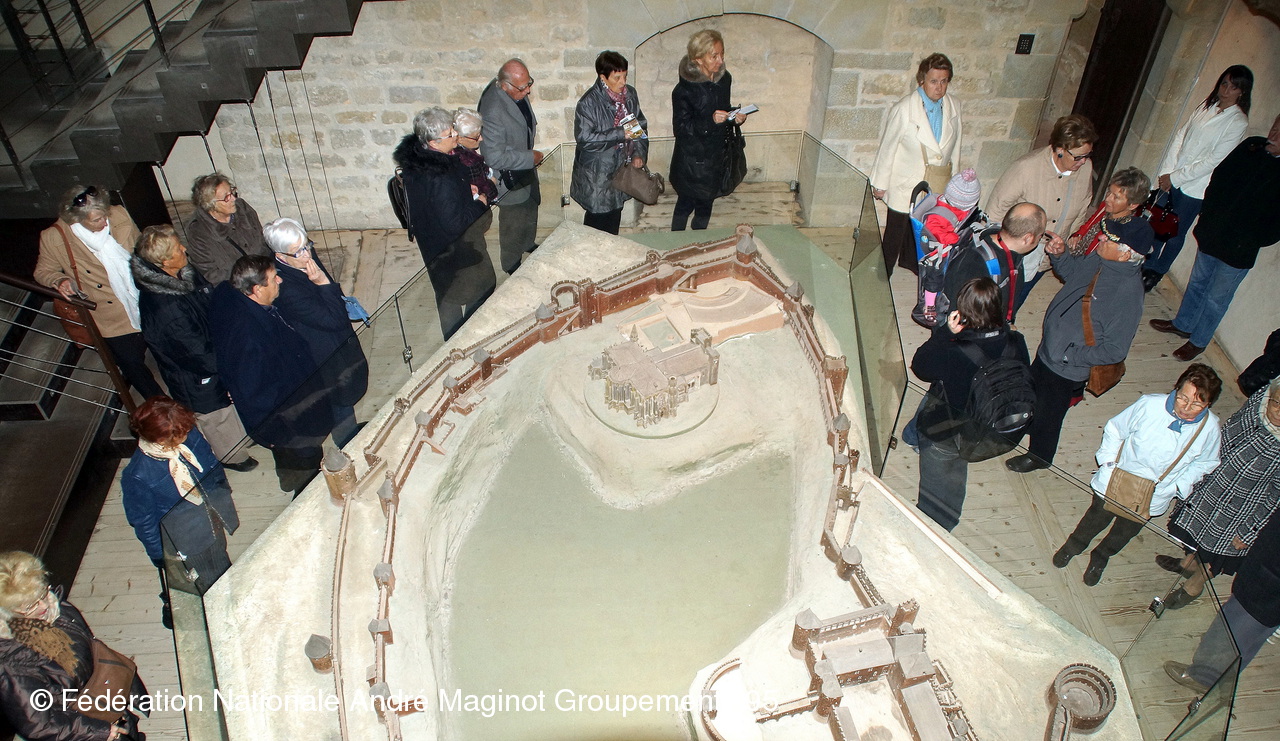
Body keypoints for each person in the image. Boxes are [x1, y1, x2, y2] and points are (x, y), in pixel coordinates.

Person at [1006, 167, 1153, 473]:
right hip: (1052, 346)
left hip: (1068, 362)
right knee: (1032, 392)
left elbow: (1115, 350)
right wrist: (1060, 255)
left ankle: (1040, 456)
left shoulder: (1128, 293)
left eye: (1110, 241)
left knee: (1050, 412)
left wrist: (1070, 355)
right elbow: (1072, 275)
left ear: (1126, 254)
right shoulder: (1102, 257)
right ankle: (1021, 426)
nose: (1102, 241)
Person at [1052, 365, 1223, 586]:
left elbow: (1206, 463)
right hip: (1118, 478)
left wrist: (1177, 486)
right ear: (1176, 388)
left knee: (1124, 532)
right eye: (1183, 398)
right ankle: (1074, 546)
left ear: (1208, 404)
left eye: (1197, 404)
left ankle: (1101, 556)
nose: (1187, 407)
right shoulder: (1149, 405)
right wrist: (1109, 463)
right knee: (1095, 519)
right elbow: (1115, 429)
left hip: (1154, 494)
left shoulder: (1210, 429)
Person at [1149, 113, 1280, 362]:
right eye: (1275, 127)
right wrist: (1208, 216)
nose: (1274, 135)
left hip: (1239, 249)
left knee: (1216, 299)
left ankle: (1198, 341)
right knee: (1197, 282)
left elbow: (1275, 226)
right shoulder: (1251, 146)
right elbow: (1219, 177)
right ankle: (1183, 324)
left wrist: (1251, 238)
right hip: (1214, 233)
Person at [131, 226, 257, 472]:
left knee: (230, 408)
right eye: (178, 249)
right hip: (196, 377)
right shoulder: (165, 309)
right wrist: (231, 361)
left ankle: (242, 437)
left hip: (216, 352)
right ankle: (232, 456)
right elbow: (198, 355)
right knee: (216, 415)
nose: (184, 248)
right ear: (165, 262)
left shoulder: (184, 272)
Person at [209, 255, 334, 495]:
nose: (280, 280)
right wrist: (281, 433)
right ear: (257, 290)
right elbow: (256, 395)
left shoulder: (231, 297)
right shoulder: (248, 338)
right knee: (306, 462)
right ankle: (305, 490)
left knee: (292, 457)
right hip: (292, 422)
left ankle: (288, 478)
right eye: (274, 278)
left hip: (291, 403)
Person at [912, 277, 1028, 531]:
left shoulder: (955, 351)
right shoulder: (1016, 342)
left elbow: (920, 366)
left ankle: (930, 528)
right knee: (955, 476)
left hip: (946, 429)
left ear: (963, 312)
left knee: (936, 484)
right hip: (983, 427)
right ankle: (949, 519)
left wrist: (945, 333)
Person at [1154, 379, 1280, 609]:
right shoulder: (1260, 400)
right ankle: (1190, 562)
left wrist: (1250, 531)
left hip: (1240, 509)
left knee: (1219, 552)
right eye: (1277, 402)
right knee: (1196, 533)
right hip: (1212, 485)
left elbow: (1276, 498)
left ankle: (1195, 584)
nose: (1279, 411)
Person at [0, 550, 146, 741]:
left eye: (42, 593)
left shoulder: (54, 606)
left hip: (102, 698)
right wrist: (97, 731)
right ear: (8, 611)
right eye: (29, 606)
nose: (44, 606)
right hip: (82, 723)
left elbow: (89, 645)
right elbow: (39, 723)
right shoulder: (13, 663)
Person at [34, 185, 163, 399]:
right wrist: (60, 280)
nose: (104, 221)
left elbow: (143, 248)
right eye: (96, 220)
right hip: (109, 316)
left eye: (105, 214)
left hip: (145, 298)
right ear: (76, 219)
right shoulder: (55, 237)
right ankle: (160, 404)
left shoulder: (118, 214)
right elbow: (43, 271)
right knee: (132, 364)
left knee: (167, 352)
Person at [1143, 65, 1252, 292]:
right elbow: (1180, 136)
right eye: (1224, 83)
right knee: (1157, 222)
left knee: (1175, 233)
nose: (1226, 90)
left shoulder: (1238, 121)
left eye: (1233, 87)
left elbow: (1214, 160)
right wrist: (1168, 172)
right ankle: (1146, 262)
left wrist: (1176, 178)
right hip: (1171, 175)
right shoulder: (1206, 105)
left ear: (1242, 92)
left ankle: (1157, 272)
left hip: (1195, 186)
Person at [262, 217, 369, 448]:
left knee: (346, 394)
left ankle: (350, 432)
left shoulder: (302, 257)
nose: (307, 255)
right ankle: (348, 443)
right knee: (339, 399)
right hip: (323, 354)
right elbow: (333, 319)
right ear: (281, 256)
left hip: (335, 341)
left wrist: (326, 287)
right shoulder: (286, 288)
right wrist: (323, 284)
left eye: (307, 245)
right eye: (298, 251)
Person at [122, 397, 239, 602]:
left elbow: (211, 465)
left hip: (212, 516)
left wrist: (223, 493)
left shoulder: (189, 434)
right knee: (206, 577)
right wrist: (160, 556)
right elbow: (144, 521)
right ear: (160, 439)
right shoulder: (137, 475)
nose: (187, 435)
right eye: (180, 434)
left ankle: (227, 587)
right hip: (185, 537)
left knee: (219, 557)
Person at [394, 107, 496, 340]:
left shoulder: (419, 161)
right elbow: (455, 224)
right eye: (450, 134)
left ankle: (452, 342)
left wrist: (463, 189)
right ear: (433, 142)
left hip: (432, 244)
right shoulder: (440, 176)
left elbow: (433, 201)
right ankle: (469, 339)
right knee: (482, 287)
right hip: (455, 248)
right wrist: (480, 203)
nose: (456, 136)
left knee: (446, 293)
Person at [1164, 507, 1280, 694]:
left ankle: (1204, 677)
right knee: (1256, 626)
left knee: (1242, 618)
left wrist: (1251, 530)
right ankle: (1218, 674)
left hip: (1270, 574)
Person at [985, 114, 1098, 304]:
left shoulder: (1085, 168)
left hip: (1047, 257)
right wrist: (999, 255)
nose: (1083, 162)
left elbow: (1084, 203)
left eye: (1088, 155)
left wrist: (1073, 234)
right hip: (1018, 256)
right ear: (1060, 150)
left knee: (1019, 298)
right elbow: (995, 211)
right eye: (1078, 157)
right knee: (998, 301)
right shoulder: (1026, 168)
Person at [870, 53, 962, 277]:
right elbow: (888, 147)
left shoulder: (954, 106)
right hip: (905, 182)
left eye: (944, 81)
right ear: (922, 80)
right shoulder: (904, 109)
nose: (939, 87)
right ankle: (883, 274)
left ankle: (911, 262)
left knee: (923, 227)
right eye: (934, 81)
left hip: (934, 180)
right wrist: (880, 183)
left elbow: (956, 145)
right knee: (896, 231)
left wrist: (955, 180)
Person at [669, 29, 747, 231]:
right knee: (684, 206)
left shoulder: (724, 79)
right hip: (692, 161)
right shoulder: (683, 91)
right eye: (714, 56)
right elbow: (681, 129)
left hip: (716, 157)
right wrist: (710, 121)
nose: (720, 61)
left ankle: (699, 242)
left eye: (722, 54)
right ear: (698, 59)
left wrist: (735, 116)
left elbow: (723, 110)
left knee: (706, 206)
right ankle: (675, 243)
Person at [571, 50, 649, 234]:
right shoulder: (588, 103)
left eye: (625, 76)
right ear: (603, 77)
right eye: (617, 78)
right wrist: (621, 133)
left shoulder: (629, 96)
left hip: (620, 169)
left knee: (615, 216)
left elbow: (640, 127)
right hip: (596, 174)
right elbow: (585, 139)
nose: (623, 83)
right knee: (596, 222)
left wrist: (638, 153)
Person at [478, 58, 542, 274]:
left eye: (529, 83)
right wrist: (529, 158)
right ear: (505, 86)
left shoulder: (515, 92)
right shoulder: (492, 111)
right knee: (513, 222)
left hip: (524, 167)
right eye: (523, 87)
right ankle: (511, 264)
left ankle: (527, 243)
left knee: (530, 208)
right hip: (510, 176)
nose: (528, 90)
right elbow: (494, 157)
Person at [942, 202, 1050, 324]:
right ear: (1028, 238)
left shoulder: (1010, 250)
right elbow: (961, 320)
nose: (1041, 239)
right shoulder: (975, 266)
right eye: (1041, 236)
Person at [184, 173, 272, 285]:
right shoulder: (198, 233)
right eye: (226, 197)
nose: (233, 199)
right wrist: (249, 276)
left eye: (232, 192)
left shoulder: (243, 209)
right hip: (236, 285)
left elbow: (263, 243)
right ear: (210, 204)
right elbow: (209, 274)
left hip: (266, 273)